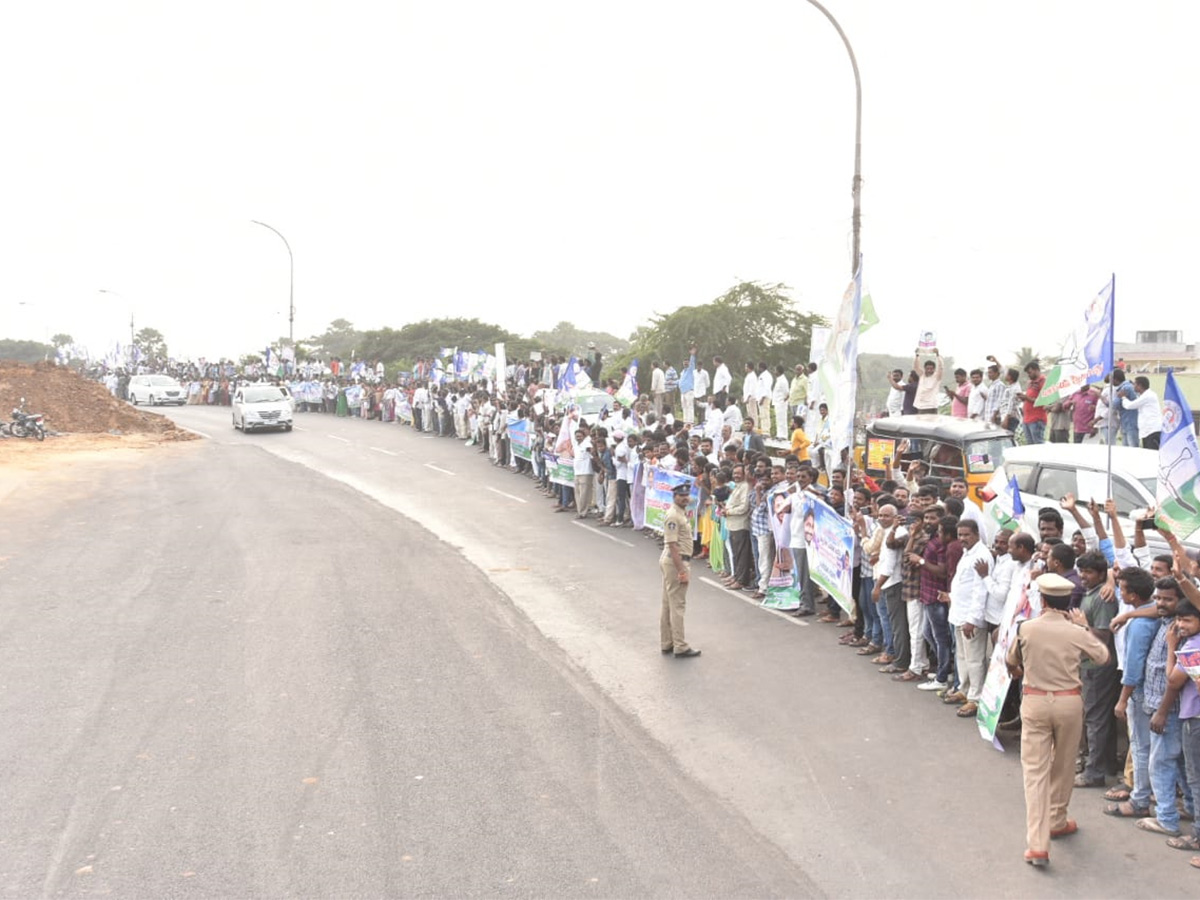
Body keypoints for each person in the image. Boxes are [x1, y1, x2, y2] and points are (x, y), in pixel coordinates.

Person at [1006, 572, 1111, 867]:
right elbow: (1103, 657)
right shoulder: (1075, 631)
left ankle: (1038, 845)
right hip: (1069, 701)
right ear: (1068, 603)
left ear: (1042, 599)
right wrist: (1084, 628)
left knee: (1035, 772)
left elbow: (1012, 661)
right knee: (1064, 764)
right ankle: (1057, 819)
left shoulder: (1026, 628)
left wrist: (1019, 670)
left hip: (1035, 700)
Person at [661, 482, 700, 658]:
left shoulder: (680, 513)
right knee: (677, 605)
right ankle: (680, 645)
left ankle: (667, 642)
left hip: (671, 560)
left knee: (668, 604)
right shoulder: (673, 516)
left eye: (687, 495)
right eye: (681, 495)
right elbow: (672, 545)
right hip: (675, 561)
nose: (685, 498)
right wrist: (682, 570)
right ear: (674, 496)